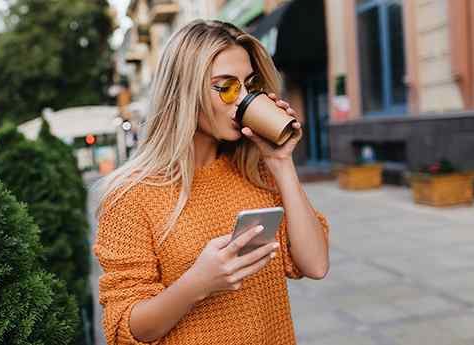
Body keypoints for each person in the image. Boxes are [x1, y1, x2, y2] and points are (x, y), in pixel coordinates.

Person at [92, 19, 330, 345]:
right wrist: (198, 283)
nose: (242, 100)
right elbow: (125, 329)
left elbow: (315, 265)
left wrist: (281, 162)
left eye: (248, 84)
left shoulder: (256, 172)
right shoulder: (130, 195)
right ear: (184, 91)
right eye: (226, 86)